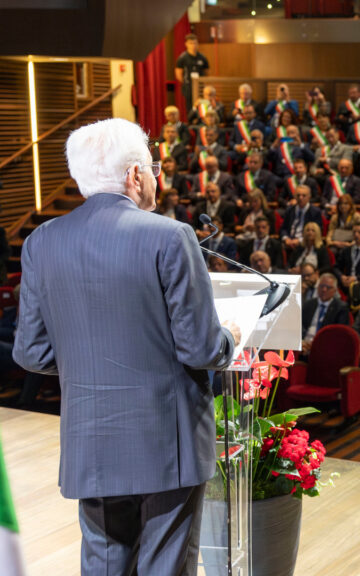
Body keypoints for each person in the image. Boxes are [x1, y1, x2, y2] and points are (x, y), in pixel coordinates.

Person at [13, 118, 239, 575]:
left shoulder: (41, 242)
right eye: (153, 168)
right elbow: (200, 348)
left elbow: (32, 353)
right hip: (167, 442)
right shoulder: (170, 235)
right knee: (165, 564)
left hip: (90, 440)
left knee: (104, 564)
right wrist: (230, 337)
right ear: (136, 175)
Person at [301, 273, 351, 354]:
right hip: (304, 345)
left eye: (328, 287)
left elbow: (339, 334)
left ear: (335, 290)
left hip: (325, 348)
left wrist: (316, 344)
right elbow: (300, 326)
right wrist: (302, 342)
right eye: (321, 286)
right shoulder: (308, 304)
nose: (324, 289)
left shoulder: (341, 308)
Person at [280, 186, 323, 252]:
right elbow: (283, 228)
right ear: (294, 197)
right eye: (298, 195)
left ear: (309, 197)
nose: (300, 198)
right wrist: (286, 238)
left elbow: (317, 231)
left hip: (305, 241)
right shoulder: (290, 210)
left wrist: (300, 240)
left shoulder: (315, 212)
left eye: (303, 195)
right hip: (288, 241)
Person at [175, 34, 209, 112]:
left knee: (202, 103)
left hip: (200, 86)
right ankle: (191, 121)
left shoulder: (202, 57)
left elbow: (207, 72)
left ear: (197, 44)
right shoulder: (182, 58)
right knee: (190, 105)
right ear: (186, 44)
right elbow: (178, 74)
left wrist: (202, 82)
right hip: (188, 86)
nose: (193, 45)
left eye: (195, 43)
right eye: (191, 43)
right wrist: (186, 82)